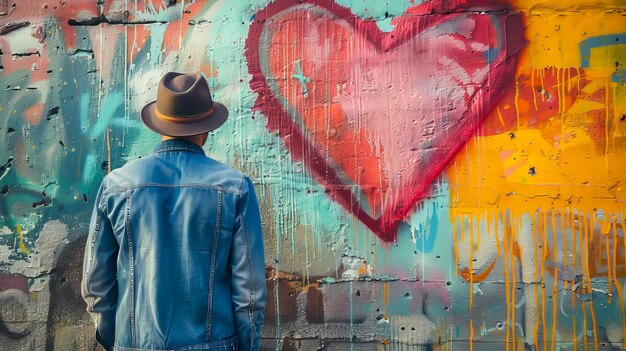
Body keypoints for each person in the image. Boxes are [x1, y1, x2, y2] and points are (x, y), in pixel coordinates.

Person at [82, 72, 266, 351]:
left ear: (159, 124)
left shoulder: (116, 186)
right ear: (207, 128)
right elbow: (249, 295)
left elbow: (96, 286)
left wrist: (117, 340)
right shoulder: (235, 187)